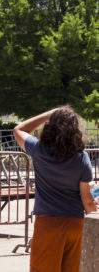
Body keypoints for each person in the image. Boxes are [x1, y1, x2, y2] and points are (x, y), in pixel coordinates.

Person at [13, 106, 98, 272]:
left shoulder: (39, 150)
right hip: (75, 224)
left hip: (48, 224)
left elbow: (19, 129)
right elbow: (87, 200)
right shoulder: (82, 158)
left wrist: (49, 114)